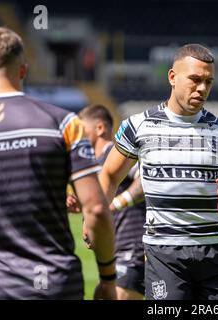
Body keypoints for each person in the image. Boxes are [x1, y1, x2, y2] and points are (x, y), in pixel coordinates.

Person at [99, 44, 218, 300]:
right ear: (172, 77)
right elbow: (109, 175)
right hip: (164, 255)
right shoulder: (138, 126)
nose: (202, 88)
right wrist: (94, 218)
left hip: (212, 255)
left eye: (208, 81)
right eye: (195, 79)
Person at [0, 26, 116, 299]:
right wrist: (108, 276)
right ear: (23, 70)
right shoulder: (64, 123)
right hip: (52, 283)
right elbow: (95, 208)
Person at [74, 104, 146, 300]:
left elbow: (147, 180)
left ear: (99, 128)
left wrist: (117, 203)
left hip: (134, 248)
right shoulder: (95, 164)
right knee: (102, 295)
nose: (78, 136)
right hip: (114, 251)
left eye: (82, 129)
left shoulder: (116, 155)